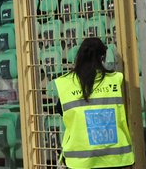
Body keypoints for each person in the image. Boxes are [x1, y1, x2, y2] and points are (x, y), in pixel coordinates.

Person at [53, 38, 133, 169]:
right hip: (116, 160)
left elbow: (60, 110)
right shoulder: (116, 80)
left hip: (80, 161)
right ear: (103, 58)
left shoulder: (66, 83)